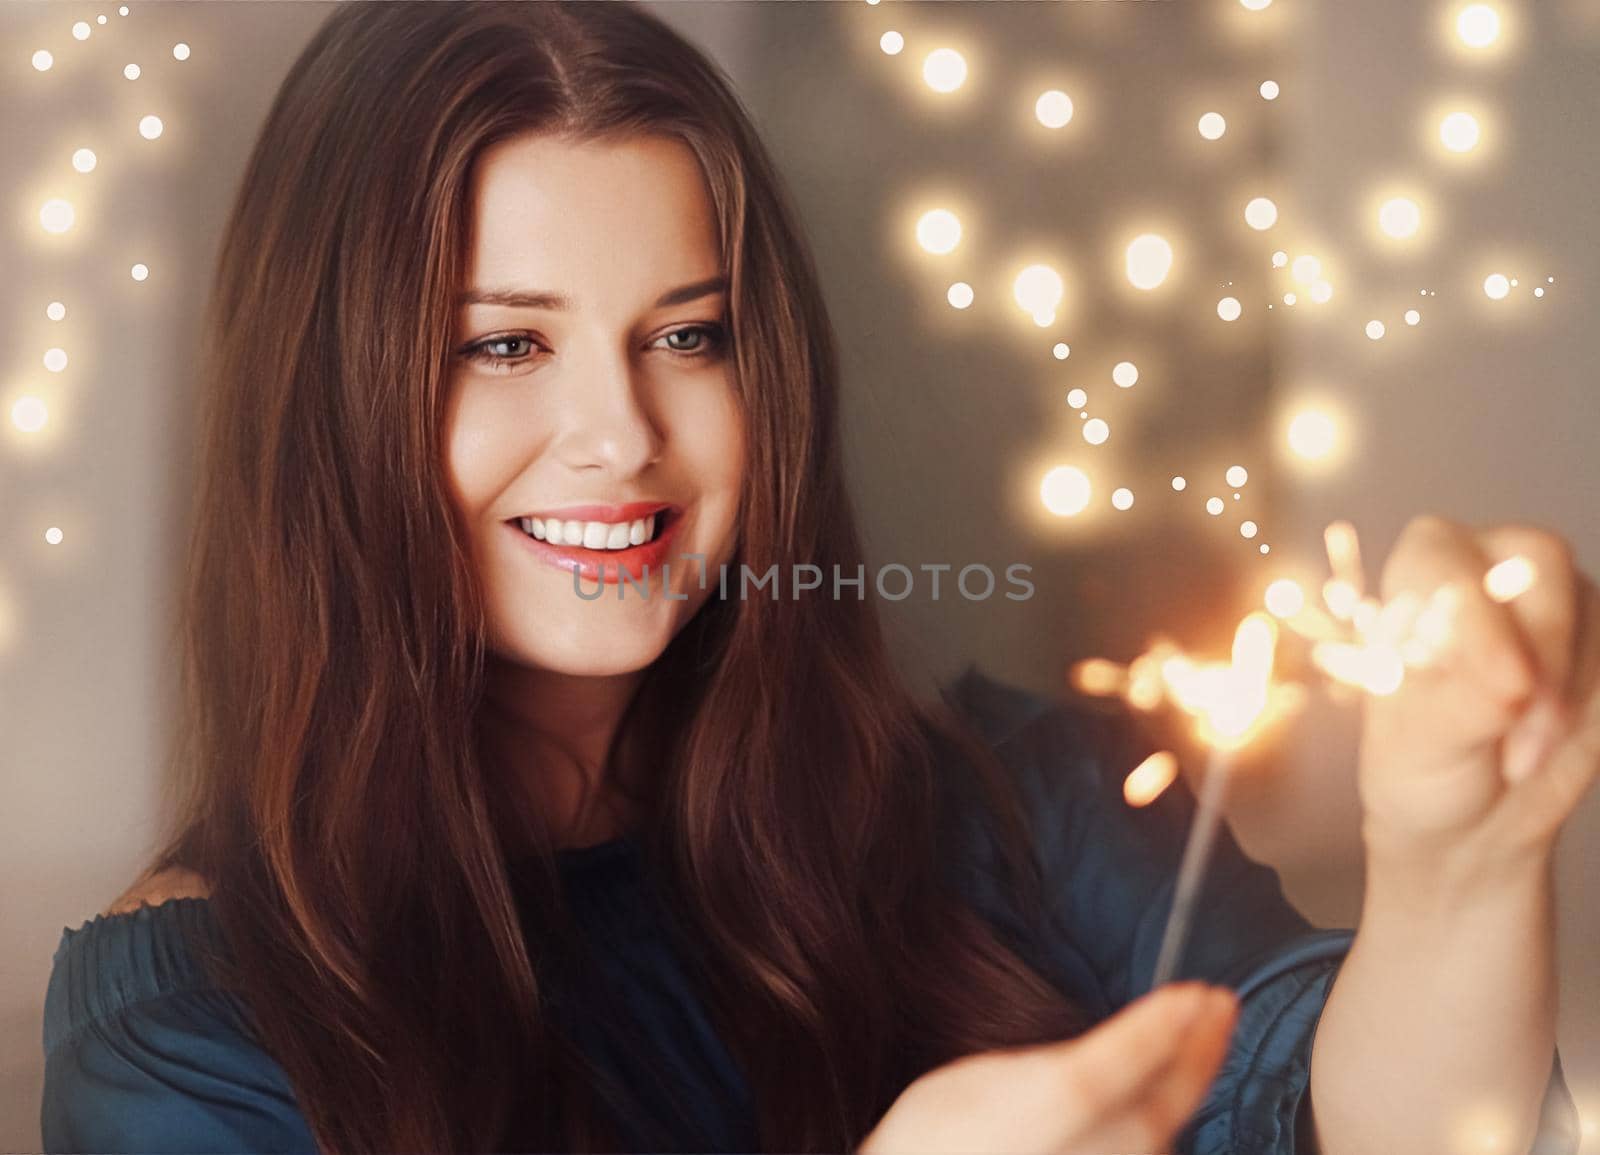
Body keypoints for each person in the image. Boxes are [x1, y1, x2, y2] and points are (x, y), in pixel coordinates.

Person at [38, 3, 1595, 1153]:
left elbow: (1368, 1125)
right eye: (504, 344)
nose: (621, 435)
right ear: (327, 409)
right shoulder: (193, 1039)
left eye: (687, 335)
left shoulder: (1027, 808)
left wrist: (1465, 862)